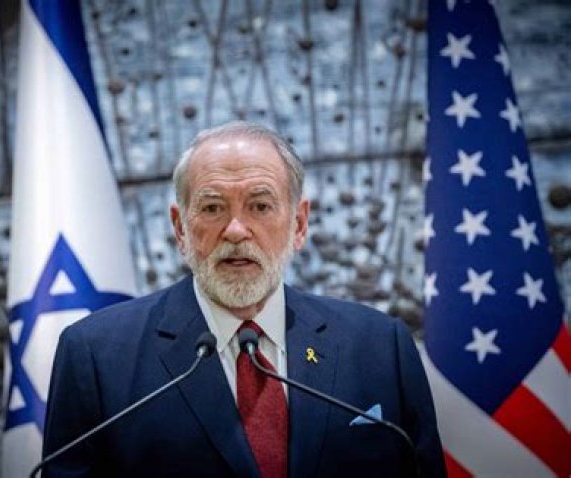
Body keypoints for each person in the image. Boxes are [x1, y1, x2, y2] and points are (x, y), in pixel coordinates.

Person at [42, 121, 446, 477]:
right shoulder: (96, 356)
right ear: (180, 228)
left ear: (299, 224)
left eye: (260, 206)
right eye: (212, 208)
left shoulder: (381, 347)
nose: (236, 230)